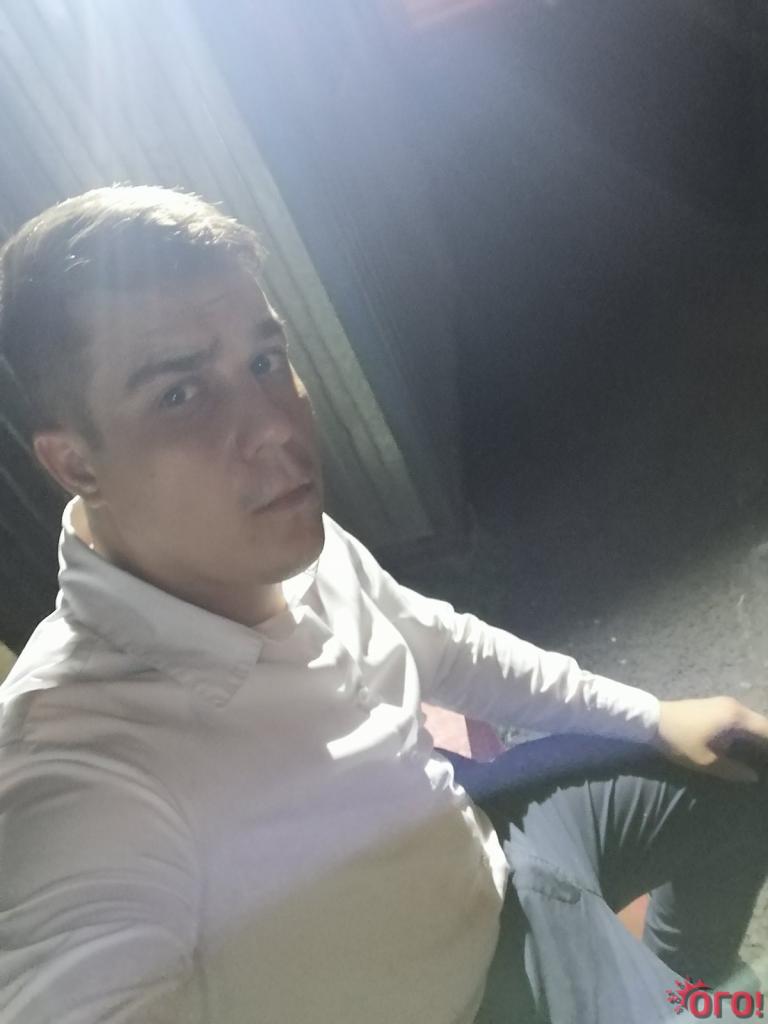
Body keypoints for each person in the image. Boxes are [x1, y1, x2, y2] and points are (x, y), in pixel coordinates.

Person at [0, 185, 766, 1024]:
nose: (273, 426)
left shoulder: (276, 541)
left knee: (747, 762)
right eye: (180, 394)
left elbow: (442, 644)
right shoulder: (73, 770)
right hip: (470, 1002)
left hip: (495, 855)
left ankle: (684, 983)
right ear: (76, 465)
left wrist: (652, 717)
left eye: (265, 361)